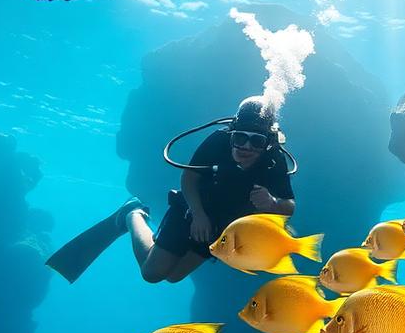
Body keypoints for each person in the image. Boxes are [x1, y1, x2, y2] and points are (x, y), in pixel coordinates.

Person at [120, 96, 296, 283]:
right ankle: (133, 213)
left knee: (174, 276)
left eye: (257, 141)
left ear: (268, 142)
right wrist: (198, 214)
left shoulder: (274, 160)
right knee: (152, 274)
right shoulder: (219, 140)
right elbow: (188, 177)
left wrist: (273, 203)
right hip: (191, 209)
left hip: (219, 227)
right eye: (240, 137)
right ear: (232, 132)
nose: (246, 147)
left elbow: (290, 205)